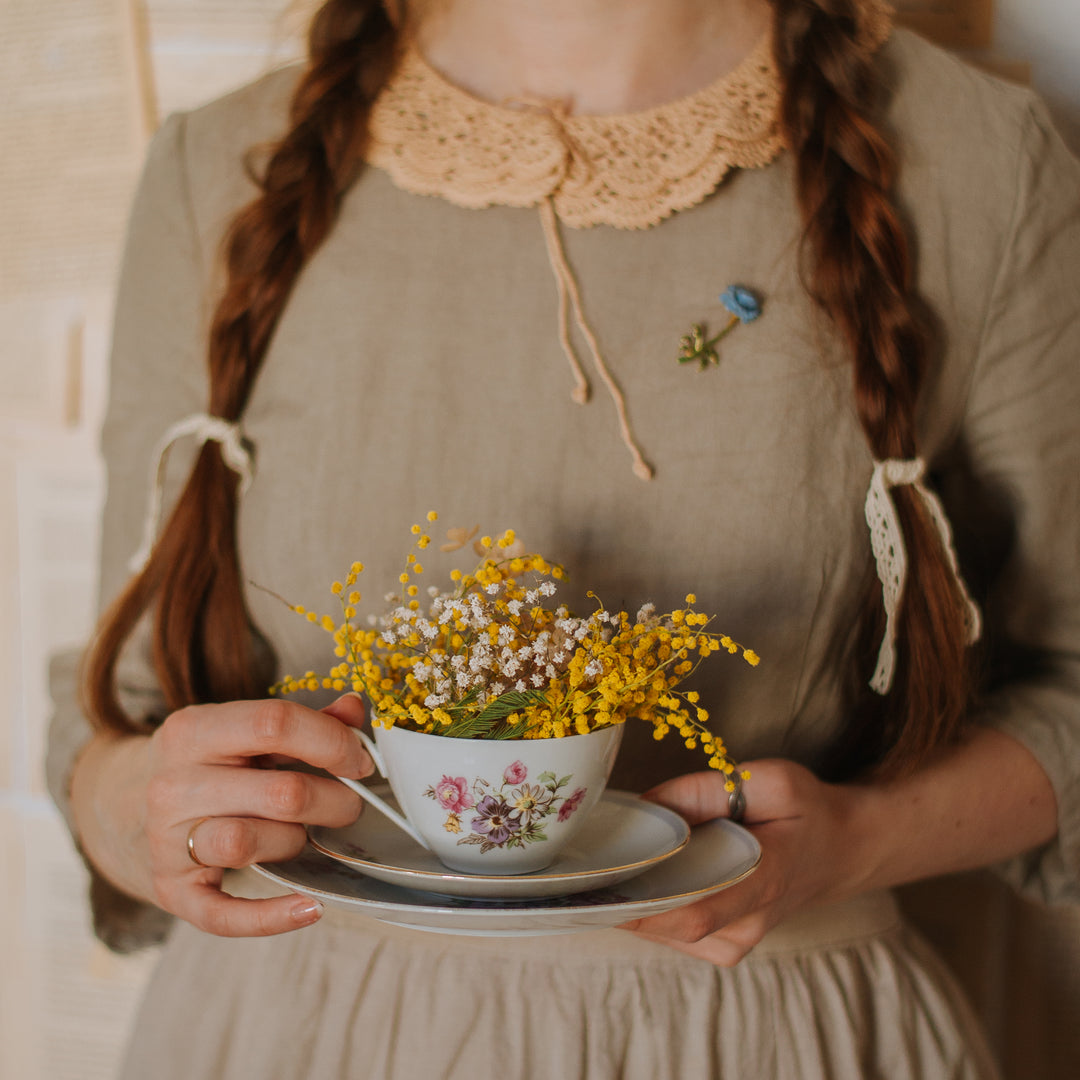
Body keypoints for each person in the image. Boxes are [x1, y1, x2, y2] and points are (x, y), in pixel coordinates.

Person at [46, 0, 1080, 1076]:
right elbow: (109, 719)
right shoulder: (212, 168)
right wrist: (136, 812)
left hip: (758, 1033)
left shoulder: (980, 163)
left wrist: (861, 840)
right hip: (283, 1035)